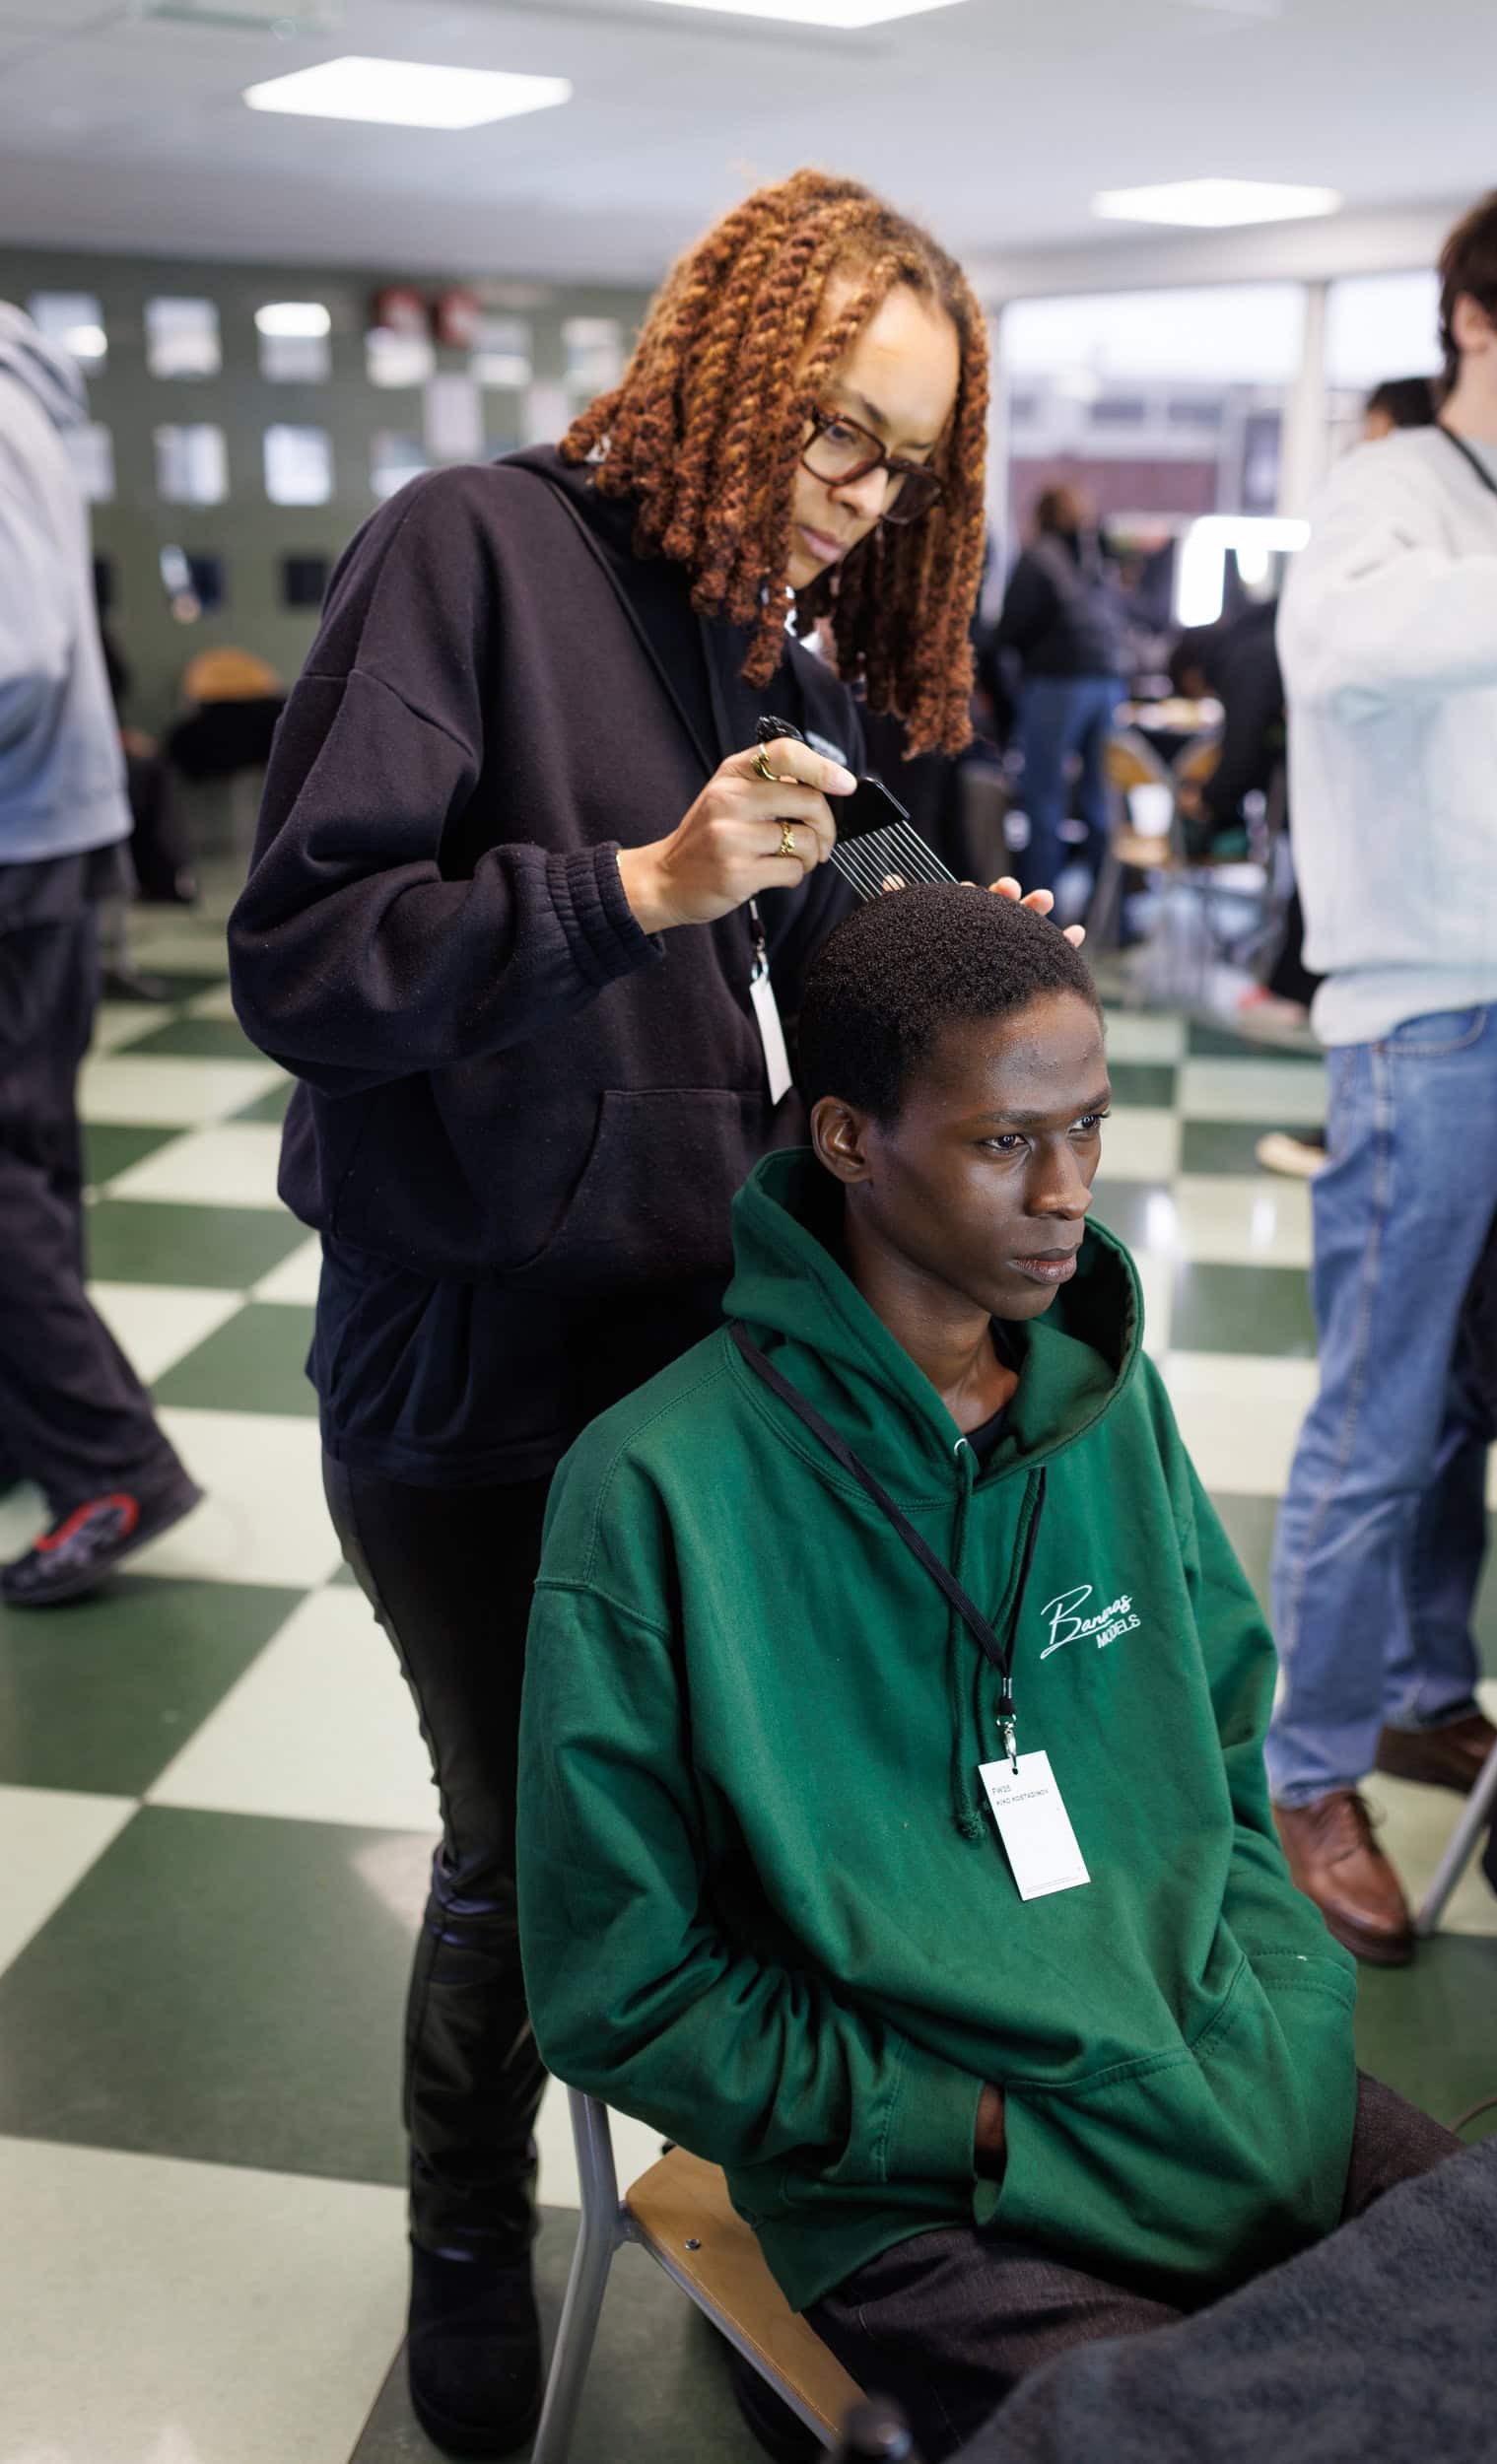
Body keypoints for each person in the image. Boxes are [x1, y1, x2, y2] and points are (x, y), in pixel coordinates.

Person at [228, 171, 1058, 2459]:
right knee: (527, 1842)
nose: (846, 494)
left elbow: (795, 976)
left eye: (894, 463)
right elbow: (308, 958)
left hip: (715, 1358)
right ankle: (467, 2232)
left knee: (753, 1810)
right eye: (821, 429)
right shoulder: (465, 551)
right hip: (482, 1370)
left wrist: (948, 948)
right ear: (711, 360)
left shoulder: (772, 635)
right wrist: (633, 886)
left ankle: (812, 2199)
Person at [517, 884, 1460, 2463]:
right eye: (1003, 1141)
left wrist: (1273, 2003)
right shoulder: (654, 1487)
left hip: (1218, 2062)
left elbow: (1225, 1753)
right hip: (922, 2174)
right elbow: (619, 1988)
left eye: (1084, 1129)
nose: (1066, 1193)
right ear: (842, 1138)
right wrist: (959, 2124)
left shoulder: (1108, 1403)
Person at [1265, 171, 1497, 1964]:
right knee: (1375, 1414)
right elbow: (1364, 642)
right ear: (1473, 318)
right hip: (1422, 1025)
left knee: (1494, 1389)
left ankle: (1422, 1687)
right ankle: (1307, 1769)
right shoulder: (1383, 497)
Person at [0, 302, 201, 1608]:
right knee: (28, 1163)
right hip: (42, 830)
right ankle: (43, 1437)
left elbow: (16, 654)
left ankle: (108, 1463)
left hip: (15, 840)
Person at [1250, 374, 1440, 1175]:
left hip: (1397, 822)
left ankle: (1357, 1138)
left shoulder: (1405, 537)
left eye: (1368, 428)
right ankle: (1357, 1130)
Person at [996, 485, 1128, 897]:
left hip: (1058, 685)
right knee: (1099, 801)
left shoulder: (1037, 558)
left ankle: (1039, 920)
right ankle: (1112, 914)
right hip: (1108, 683)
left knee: (1044, 801)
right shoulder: (1096, 558)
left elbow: (1009, 630)